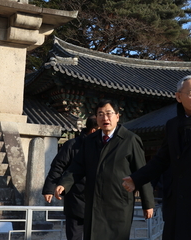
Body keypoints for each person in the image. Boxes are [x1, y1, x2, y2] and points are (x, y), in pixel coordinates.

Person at [122, 76, 191, 240]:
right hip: (177, 203)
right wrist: (136, 179)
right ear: (178, 97)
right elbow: (161, 159)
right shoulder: (172, 125)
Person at [55, 99, 155, 240]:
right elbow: (78, 166)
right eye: (100, 114)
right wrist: (64, 183)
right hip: (94, 203)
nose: (105, 118)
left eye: (109, 113)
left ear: (117, 116)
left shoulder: (130, 140)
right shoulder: (90, 141)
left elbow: (142, 172)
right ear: (96, 118)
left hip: (118, 204)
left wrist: (148, 203)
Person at [42, 115, 99, 240]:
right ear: (94, 130)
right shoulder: (72, 145)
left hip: (96, 201)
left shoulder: (102, 146)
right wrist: (49, 188)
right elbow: (58, 167)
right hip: (75, 200)